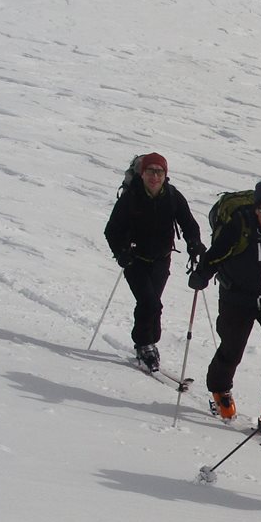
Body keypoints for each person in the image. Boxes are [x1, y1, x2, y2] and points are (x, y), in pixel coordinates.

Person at [188, 179, 261, 441]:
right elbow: (216, 255)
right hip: (237, 296)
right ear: (256, 210)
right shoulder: (239, 226)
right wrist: (201, 275)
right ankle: (220, 389)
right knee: (232, 348)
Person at [103, 152, 204, 372]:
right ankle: (147, 342)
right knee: (151, 303)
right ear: (142, 173)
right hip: (135, 261)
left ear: (165, 175)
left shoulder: (172, 196)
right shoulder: (131, 197)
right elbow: (112, 230)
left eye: (159, 172)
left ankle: (144, 343)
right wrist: (121, 252)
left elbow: (188, 223)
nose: (155, 176)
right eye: (151, 171)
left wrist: (194, 243)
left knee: (150, 302)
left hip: (161, 260)